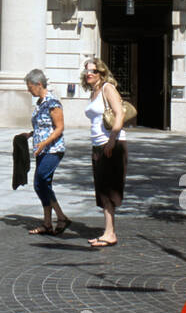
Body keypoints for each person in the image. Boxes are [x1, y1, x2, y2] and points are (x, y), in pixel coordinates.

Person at [81, 57, 126, 247]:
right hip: (98, 144)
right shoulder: (94, 91)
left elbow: (120, 113)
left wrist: (112, 140)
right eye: (87, 71)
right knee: (102, 188)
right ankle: (108, 231)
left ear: (102, 73)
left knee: (109, 187)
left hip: (112, 144)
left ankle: (110, 232)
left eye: (93, 71)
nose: (89, 73)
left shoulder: (107, 88)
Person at [24, 69, 70, 236]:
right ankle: (47, 223)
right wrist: (30, 134)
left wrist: (44, 143)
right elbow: (42, 126)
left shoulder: (52, 102)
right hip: (41, 149)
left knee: (41, 180)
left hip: (53, 149)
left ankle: (61, 217)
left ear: (38, 84)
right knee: (41, 185)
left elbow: (59, 128)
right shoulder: (39, 103)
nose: (28, 90)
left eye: (30, 87)